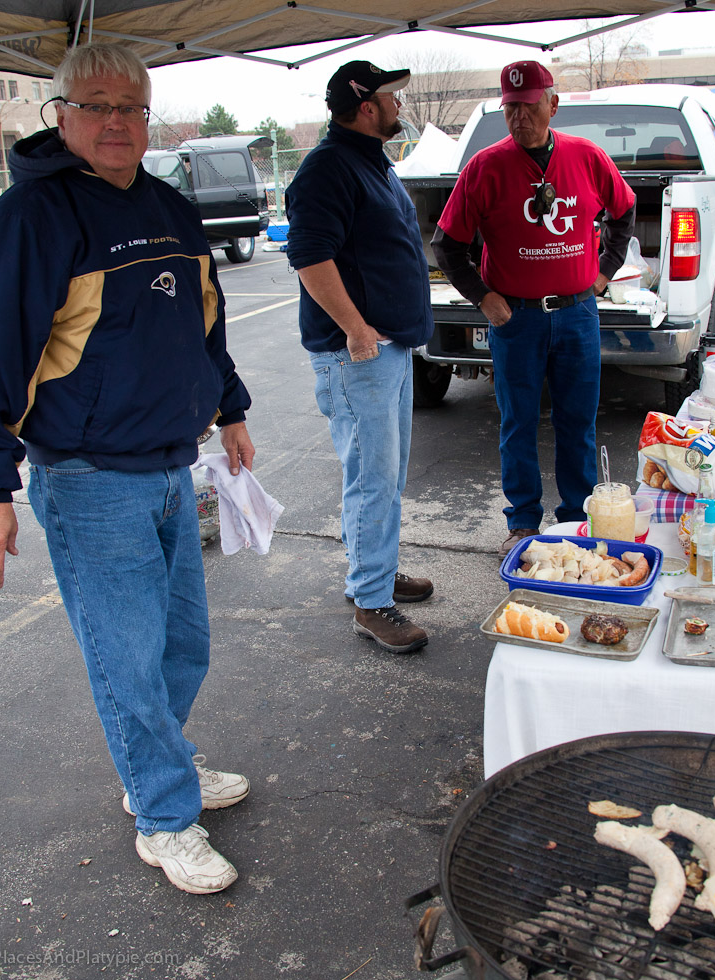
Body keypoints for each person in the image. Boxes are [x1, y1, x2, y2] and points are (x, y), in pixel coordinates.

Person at [0, 43, 255, 895]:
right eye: (95, 105)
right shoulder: (29, 218)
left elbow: (206, 321)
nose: (116, 121)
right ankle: (163, 816)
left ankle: (158, 767)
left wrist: (230, 406)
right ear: (61, 116)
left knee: (182, 648)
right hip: (90, 477)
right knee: (126, 657)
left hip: (172, 466)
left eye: (130, 106)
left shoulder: (169, 205)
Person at [432, 61, 636, 559]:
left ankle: (575, 518)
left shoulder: (586, 157)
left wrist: (605, 270)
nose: (518, 117)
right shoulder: (485, 166)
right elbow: (447, 244)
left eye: (527, 106)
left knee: (577, 421)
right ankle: (523, 522)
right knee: (518, 422)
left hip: (576, 315)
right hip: (516, 320)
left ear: (552, 104)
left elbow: (623, 211)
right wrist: (483, 297)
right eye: (509, 108)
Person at [285, 60, 434, 655]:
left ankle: (373, 569)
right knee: (373, 479)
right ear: (366, 106)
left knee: (383, 477)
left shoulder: (369, 160)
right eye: (391, 97)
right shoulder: (328, 168)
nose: (400, 104)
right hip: (359, 356)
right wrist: (354, 327)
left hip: (386, 350)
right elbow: (308, 256)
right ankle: (372, 603)